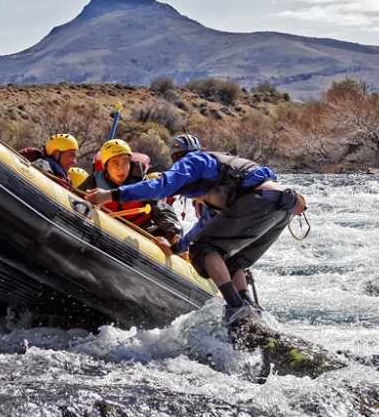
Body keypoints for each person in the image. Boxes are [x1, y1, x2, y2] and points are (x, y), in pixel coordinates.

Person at [86, 133, 303, 327]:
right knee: (230, 259)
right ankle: (247, 309)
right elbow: (204, 225)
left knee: (203, 251)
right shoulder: (218, 174)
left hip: (260, 203)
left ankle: (236, 309)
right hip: (283, 208)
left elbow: (159, 187)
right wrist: (176, 246)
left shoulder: (193, 162)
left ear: (177, 158)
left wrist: (109, 195)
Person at [78, 138, 183, 250]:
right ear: (106, 166)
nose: (121, 168)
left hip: (141, 234)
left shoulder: (142, 185)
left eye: (125, 162)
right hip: (105, 230)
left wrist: (174, 235)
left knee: (164, 235)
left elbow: (164, 212)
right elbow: (72, 199)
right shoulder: (93, 181)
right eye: (115, 163)